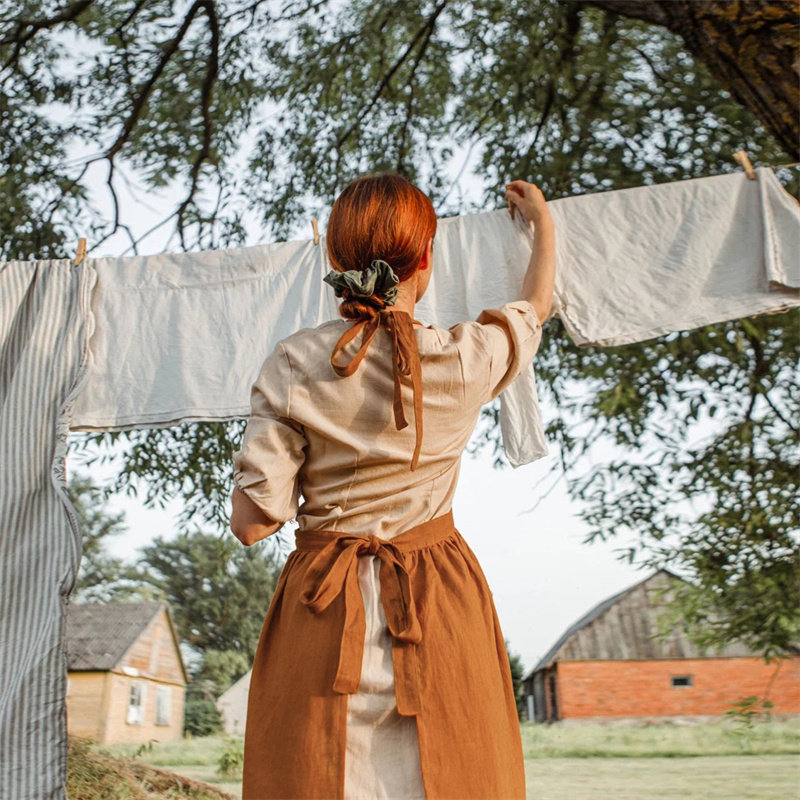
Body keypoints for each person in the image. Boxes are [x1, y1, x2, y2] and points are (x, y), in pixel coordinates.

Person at [230, 172, 555, 800]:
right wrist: (543, 225)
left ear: (333, 259)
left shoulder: (294, 362)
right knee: (454, 772)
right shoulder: (466, 357)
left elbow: (253, 523)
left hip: (322, 605)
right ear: (426, 259)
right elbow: (534, 309)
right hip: (439, 596)